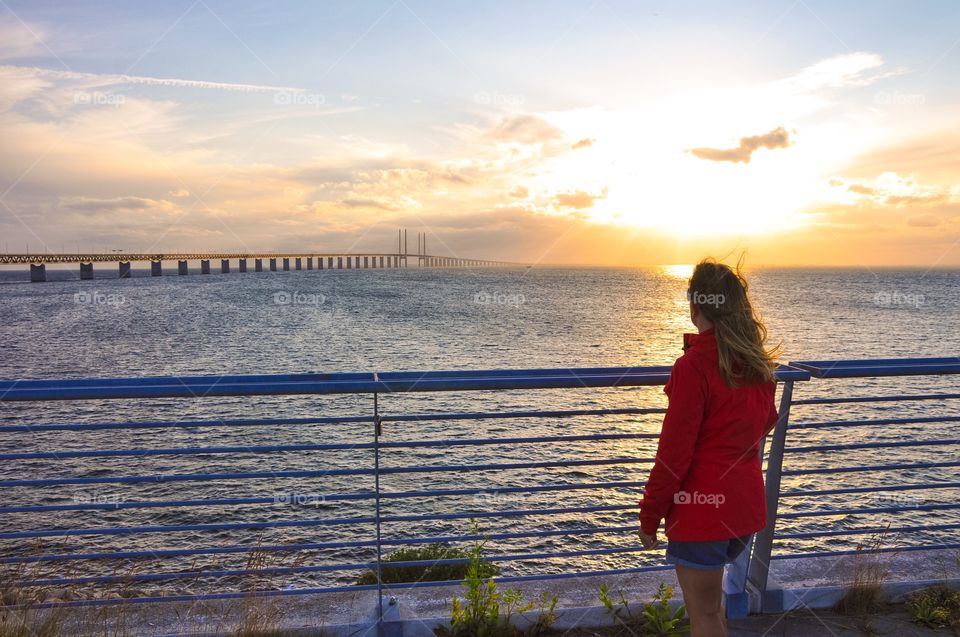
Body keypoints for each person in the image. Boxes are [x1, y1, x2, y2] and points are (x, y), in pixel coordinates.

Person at [638, 258, 781, 637]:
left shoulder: (692, 367)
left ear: (694, 308)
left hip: (701, 512)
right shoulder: (757, 365)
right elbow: (766, 421)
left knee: (702, 614)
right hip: (743, 510)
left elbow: (673, 456)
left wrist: (650, 514)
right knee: (714, 609)